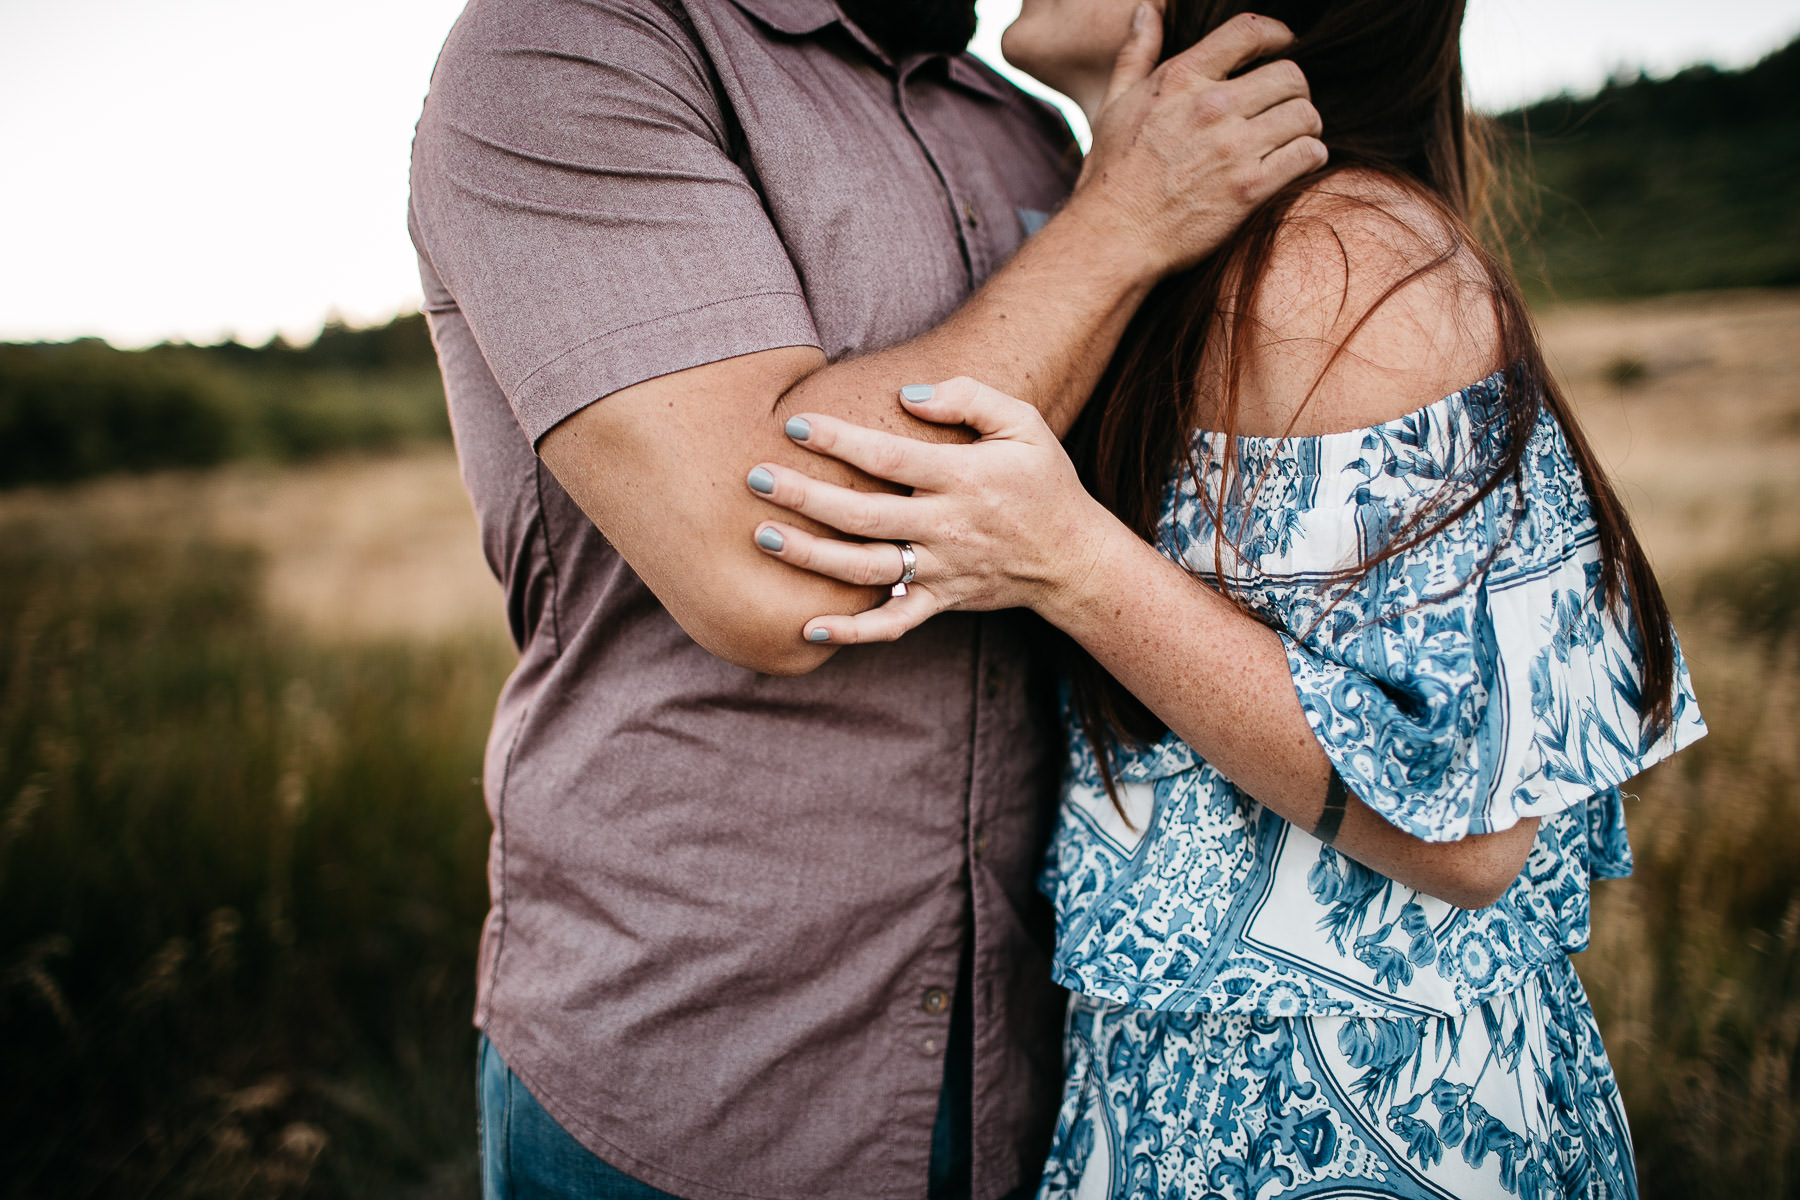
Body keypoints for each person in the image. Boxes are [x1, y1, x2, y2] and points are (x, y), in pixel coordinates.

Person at [744, 0, 1708, 1195]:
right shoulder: (1174, 258)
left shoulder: (1338, 256)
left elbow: (1477, 833)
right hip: (1177, 1099)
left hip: (1371, 1120)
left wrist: (1071, 562)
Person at [406, 1, 1326, 1197]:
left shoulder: (1023, 124)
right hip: (696, 1075)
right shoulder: (571, 49)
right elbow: (765, 559)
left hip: (1037, 1061)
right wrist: (1123, 221)